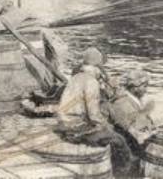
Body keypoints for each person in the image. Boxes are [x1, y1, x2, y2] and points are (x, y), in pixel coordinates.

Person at [56, 48, 134, 177]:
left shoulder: (75, 77)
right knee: (120, 141)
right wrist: (106, 126)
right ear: (96, 67)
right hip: (77, 129)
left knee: (110, 132)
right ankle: (123, 175)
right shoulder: (91, 82)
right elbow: (94, 116)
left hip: (64, 124)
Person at [109, 69, 156, 170]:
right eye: (144, 86)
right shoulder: (122, 102)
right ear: (134, 87)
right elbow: (133, 129)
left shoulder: (133, 100)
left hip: (131, 145)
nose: (146, 90)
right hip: (125, 150)